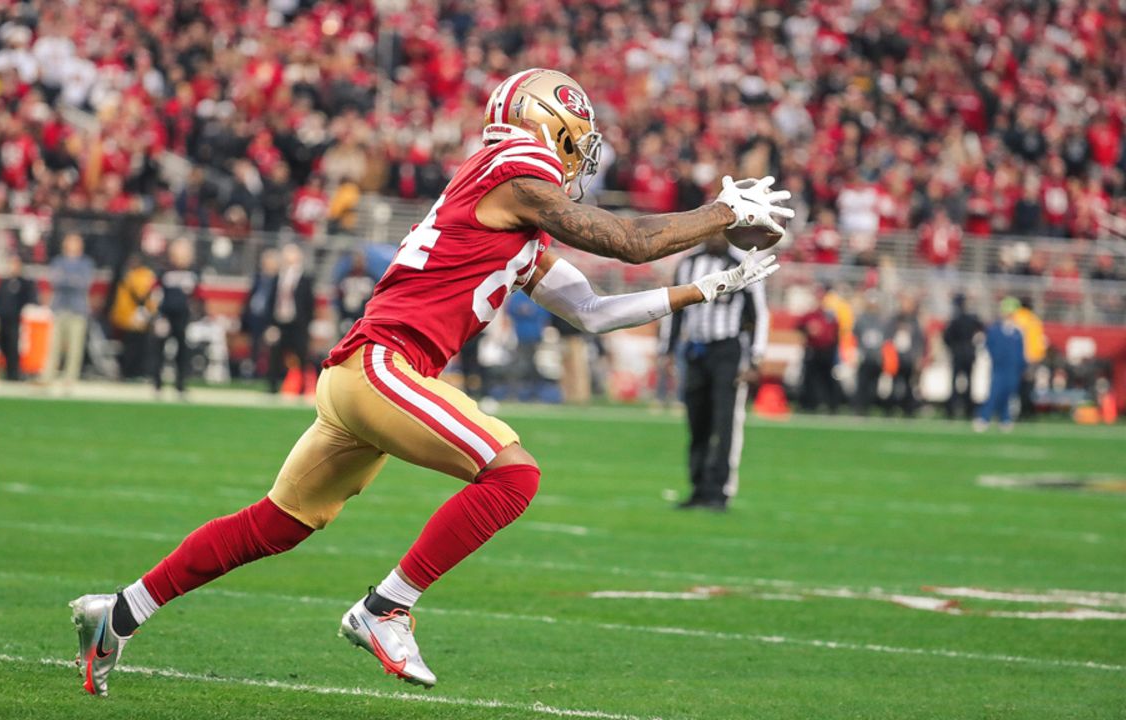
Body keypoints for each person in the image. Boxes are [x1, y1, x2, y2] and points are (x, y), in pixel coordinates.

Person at [69, 68, 788, 696]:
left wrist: (709, 287)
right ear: (550, 127)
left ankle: (121, 611)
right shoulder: (514, 170)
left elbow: (593, 312)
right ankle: (387, 607)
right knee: (513, 477)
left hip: (364, 376)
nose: (579, 155)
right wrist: (723, 213)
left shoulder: (512, 208)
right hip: (385, 365)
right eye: (576, 137)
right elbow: (629, 243)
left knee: (277, 523)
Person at [662, 235, 769, 511]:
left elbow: (759, 313)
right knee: (697, 421)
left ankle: (719, 491)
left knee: (725, 423)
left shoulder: (743, 264)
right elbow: (674, 308)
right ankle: (698, 487)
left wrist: (755, 358)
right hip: (696, 350)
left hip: (727, 351)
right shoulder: (688, 263)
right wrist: (669, 349)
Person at [40, 233, 94, 388]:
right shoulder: (58, 261)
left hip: (78, 309)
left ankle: (70, 378)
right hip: (60, 308)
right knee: (53, 345)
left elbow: (83, 283)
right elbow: (56, 281)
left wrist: (68, 279)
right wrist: (72, 280)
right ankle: (48, 376)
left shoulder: (86, 263)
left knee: (75, 347)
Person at [150, 240, 199, 396]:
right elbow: (155, 294)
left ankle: (180, 384)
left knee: (182, 351)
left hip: (183, 317)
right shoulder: (164, 272)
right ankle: (157, 383)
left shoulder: (193, 273)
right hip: (166, 315)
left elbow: (197, 296)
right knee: (160, 350)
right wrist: (158, 316)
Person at [269, 243, 314, 395]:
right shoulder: (278, 277)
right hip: (280, 321)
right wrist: (271, 323)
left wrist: (306, 323)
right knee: (275, 354)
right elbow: (272, 301)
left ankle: (301, 387)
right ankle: (273, 385)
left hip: (298, 323)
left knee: (301, 354)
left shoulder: (305, 278)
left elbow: (309, 303)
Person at [976, 297, 1026, 432]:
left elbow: (1021, 351)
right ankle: (984, 417)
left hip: (1013, 368)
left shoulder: (1017, 332)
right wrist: (996, 359)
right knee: (994, 392)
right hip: (999, 367)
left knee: (1009, 394)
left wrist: (1021, 366)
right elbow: (989, 346)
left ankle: (1005, 419)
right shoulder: (995, 329)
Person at [109, 254, 156, 380]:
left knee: (139, 347)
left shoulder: (140, 276)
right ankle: (130, 372)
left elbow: (150, 295)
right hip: (132, 316)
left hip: (138, 315)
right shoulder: (131, 276)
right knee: (131, 347)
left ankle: (135, 372)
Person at [796, 287, 841, 413]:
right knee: (809, 379)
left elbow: (836, 332)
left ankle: (832, 405)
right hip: (813, 350)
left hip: (826, 351)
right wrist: (808, 329)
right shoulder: (810, 315)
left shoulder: (830, 315)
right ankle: (808, 404)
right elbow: (799, 326)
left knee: (828, 379)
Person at [0, 253, 37, 381]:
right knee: (4, 345)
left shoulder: (25, 283)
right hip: (3, 319)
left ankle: (15, 373)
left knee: (14, 347)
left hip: (17, 321)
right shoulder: (4, 282)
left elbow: (30, 300)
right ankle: (6, 371)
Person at [942, 294, 984, 419]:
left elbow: (947, 337)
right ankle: (968, 410)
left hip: (958, 354)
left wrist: (953, 348)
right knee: (969, 383)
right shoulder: (972, 319)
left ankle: (952, 410)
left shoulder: (955, 320)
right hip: (969, 354)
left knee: (955, 383)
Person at [239, 248, 279, 380]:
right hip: (255, 316)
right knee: (254, 345)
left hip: (268, 318)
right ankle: (253, 371)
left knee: (270, 346)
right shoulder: (258, 277)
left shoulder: (278, 281)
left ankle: (268, 374)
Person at [885, 295, 925, 418]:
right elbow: (888, 337)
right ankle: (890, 410)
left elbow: (919, 340)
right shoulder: (894, 320)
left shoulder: (914, 321)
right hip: (896, 358)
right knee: (894, 385)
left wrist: (918, 357)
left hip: (908, 358)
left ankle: (908, 411)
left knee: (909, 386)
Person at [851, 292, 886, 415]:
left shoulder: (882, 320)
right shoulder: (861, 319)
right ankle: (859, 408)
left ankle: (869, 407)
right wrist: (855, 353)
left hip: (877, 357)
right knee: (862, 383)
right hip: (864, 356)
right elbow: (854, 336)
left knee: (874, 385)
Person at [1012, 298, 1047, 419]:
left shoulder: (1018, 318)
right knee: (1030, 385)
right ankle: (1030, 410)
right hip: (1035, 357)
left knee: (1022, 386)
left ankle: (1024, 410)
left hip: (1024, 357)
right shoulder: (1035, 319)